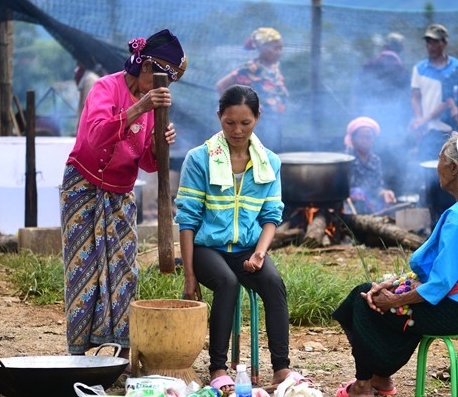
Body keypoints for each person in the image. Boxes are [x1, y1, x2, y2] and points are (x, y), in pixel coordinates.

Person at [333, 130, 458, 397]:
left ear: (453, 168)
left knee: (362, 299)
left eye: (439, 159)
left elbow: (441, 283)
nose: (437, 166)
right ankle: (380, 379)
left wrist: (394, 300)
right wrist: (396, 283)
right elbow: (450, 271)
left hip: (456, 312)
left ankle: (364, 385)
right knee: (373, 295)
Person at [60, 29, 185, 359]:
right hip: (84, 187)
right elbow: (94, 137)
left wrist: (159, 144)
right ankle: (80, 354)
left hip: (120, 194)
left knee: (124, 270)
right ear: (147, 68)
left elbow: (146, 163)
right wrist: (138, 108)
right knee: (83, 269)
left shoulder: (153, 106)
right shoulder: (106, 87)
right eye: (163, 79)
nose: (165, 88)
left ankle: (120, 353)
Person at [175, 84, 296, 391]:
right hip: (207, 248)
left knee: (274, 283)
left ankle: (281, 368)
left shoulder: (269, 162)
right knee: (227, 283)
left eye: (245, 122)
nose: (237, 130)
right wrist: (189, 276)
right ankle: (218, 367)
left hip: (248, 249)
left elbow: (271, 217)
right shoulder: (199, 158)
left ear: (258, 118)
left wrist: (260, 252)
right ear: (219, 117)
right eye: (230, 122)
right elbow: (187, 220)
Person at [409, 24, 458, 224]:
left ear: (444, 43)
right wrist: (419, 120)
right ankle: (431, 222)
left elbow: (448, 100)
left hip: (448, 133)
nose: (430, 46)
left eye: (435, 42)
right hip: (427, 133)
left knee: (449, 178)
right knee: (429, 178)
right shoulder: (419, 68)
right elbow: (415, 96)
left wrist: (425, 119)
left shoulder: (456, 67)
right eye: (428, 42)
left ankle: (449, 220)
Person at [352, 32, 411, 195]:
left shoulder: (368, 66)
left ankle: (371, 194)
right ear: (400, 50)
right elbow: (407, 101)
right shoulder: (402, 71)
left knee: (374, 154)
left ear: (385, 47)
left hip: (369, 121)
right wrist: (405, 125)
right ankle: (392, 194)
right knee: (393, 160)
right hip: (392, 125)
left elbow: (357, 94)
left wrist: (358, 117)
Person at [216, 28, 287, 152]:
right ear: (262, 48)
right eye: (276, 48)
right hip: (258, 123)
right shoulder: (251, 68)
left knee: (273, 153)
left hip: (274, 120)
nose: (279, 52)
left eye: (281, 48)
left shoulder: (275, 68)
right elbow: (221, 85)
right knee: (259, 154)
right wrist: (233, 108)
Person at [344, 117, 396, 215]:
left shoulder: (375, 160)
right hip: (349, 206)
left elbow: (377, 188)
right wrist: (355, 193)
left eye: (369, 137)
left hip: (372, 205)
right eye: (362, 137)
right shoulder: (346, 158)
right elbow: (341, 189)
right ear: (353, 139)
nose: (365, 141)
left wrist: (385, 193)